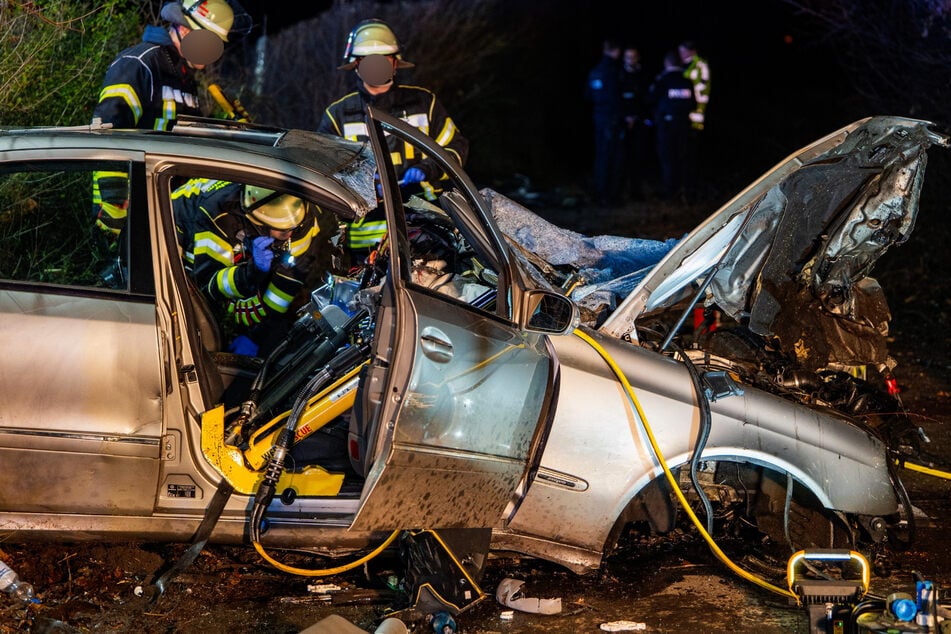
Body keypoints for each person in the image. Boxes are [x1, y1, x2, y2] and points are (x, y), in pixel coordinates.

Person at [317, 18, 469, 263]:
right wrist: (365, 186)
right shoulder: (338, 115)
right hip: (368, 247)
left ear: (395, 62)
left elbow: (456, 148)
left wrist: (427, 168)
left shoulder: (424, 103)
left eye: (383, 59)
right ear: (356, 64)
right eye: (368, 61)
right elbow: (325, 173)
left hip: (427, 232)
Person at [91, 0, 237, 242]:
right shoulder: (140, 63)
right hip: (121, 205)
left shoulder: (183, 77)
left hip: (158, 206)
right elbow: (107, 127)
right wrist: (115, 199)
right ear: (185, 29)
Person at [172, 179, 335, 357]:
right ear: (259, 223)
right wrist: (252, 270)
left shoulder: (301, 217)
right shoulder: (218, 213)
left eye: (292, 228)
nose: (289, 235)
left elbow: (285, 285)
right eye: (282, 231)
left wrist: (256, 337)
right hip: (180, 226)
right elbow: (209, 285)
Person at [647, 50, 695, 202]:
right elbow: (693, 104)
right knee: (684, 159)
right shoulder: (687, 81)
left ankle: (671, 193)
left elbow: (650, 100)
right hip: (684, 126)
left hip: (666, 127)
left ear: (666, 63)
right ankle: (687, 191)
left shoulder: (662, 81)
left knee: (668, 160)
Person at [584, 38, 624, 206]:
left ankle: (600, 193)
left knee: (601, 157)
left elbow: (587, 96)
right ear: (616, 51)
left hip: (599, 118)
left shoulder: (595, 71)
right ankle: (611, 196)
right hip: (612, 120)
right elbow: (617, 97)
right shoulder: (613, 71)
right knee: (613, 158)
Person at [678, 40, 711, 200]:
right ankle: (688, 189)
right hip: (689, 117)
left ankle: (692, 192)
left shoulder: (698, 66)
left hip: (694, 117)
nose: (680, 55)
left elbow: (694, 89)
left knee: (692, 157)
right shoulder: (691, 65)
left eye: (683, 52)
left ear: (691, 51)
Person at [619, 46, 651, 201]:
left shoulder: (643, 75)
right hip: (623, 123)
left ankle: (636, 191)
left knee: (639, 158)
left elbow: (647, 99)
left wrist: (639, 117)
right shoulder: (619, 75)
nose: (630, 60)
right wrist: (625, 117)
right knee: (622, 158)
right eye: (627, 57)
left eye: (633, 57)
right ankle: (620, 191)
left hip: (640, 123)